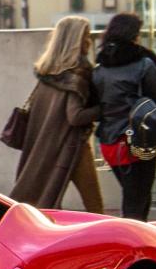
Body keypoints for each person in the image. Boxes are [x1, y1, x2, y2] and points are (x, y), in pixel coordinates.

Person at [91, 12, 156, 221]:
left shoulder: (99, 68)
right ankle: (132, 247)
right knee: (136, 202)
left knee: (135, 195)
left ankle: (135, 243)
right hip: (139, 143)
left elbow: (96, 105)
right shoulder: (144, 64)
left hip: (109, 144)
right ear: (134, 35)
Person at [9, 15, 104, 213]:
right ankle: (106, 241)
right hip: (72, 147)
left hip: (43, 146)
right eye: (86, 36)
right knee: (94, 206)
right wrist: (105, 109)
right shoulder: (77, 75)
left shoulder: (47, 73)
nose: (89, 42)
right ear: (76, 41)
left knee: (44, 201)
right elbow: (75, 116)